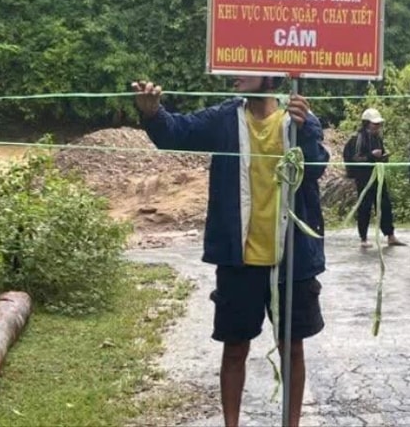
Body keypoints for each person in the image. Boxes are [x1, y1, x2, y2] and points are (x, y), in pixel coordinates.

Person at [132, 76, 328, 427]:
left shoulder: (298, 118)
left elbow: (315, 170)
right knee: (235, 349)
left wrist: (307, 130)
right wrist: (152, 113)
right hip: (240, 259)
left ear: (269, 74)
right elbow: (176, 133)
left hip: (292, 259)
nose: (234, 74)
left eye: (245, 67)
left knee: (292, 348)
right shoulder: (224, 118)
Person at [346, 108, 406, 247]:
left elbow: (380, 155)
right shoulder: (357, 139)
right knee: (365, 207)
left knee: (385, 205)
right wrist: (371, 156)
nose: (378, 127)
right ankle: (363, 238)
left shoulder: (377, 138)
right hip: (364, 178)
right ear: (366, 123)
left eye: (379, 124)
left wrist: (384, 157)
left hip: (378, 176)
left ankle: (390, 235)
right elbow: (354, 159)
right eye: (375, 124)